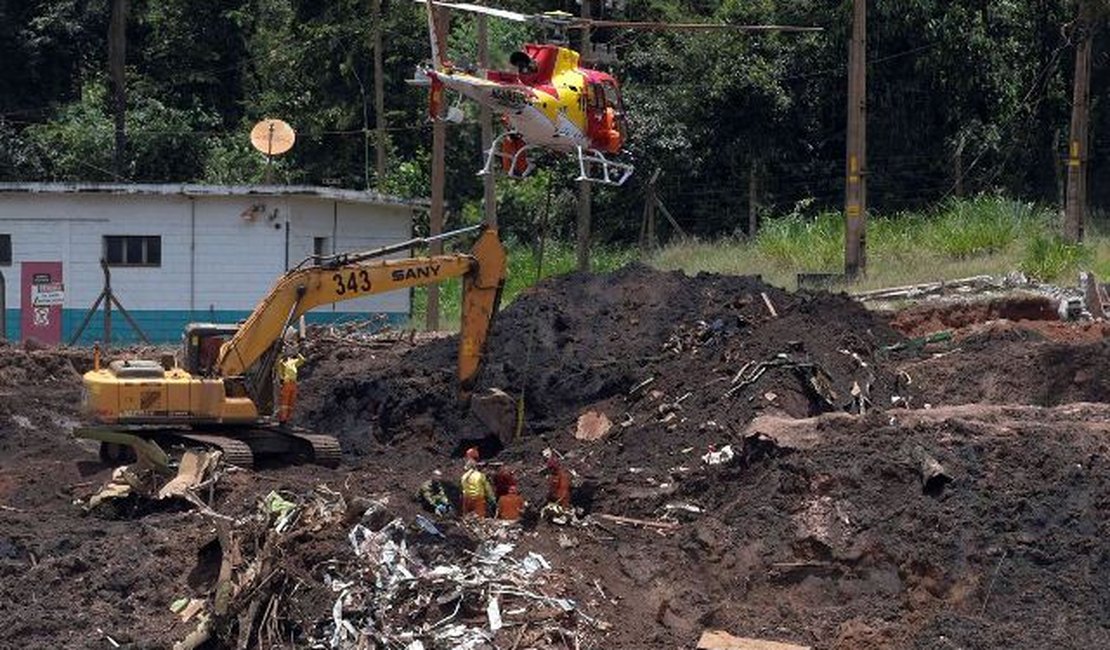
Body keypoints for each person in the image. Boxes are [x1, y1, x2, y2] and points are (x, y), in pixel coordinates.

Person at [460, 447, 495, 518]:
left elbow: (464, 489)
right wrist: (492, 499)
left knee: (467, 518)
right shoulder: (480, 475)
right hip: (478, 499)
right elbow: (488, 488)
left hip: (467, 499)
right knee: (480, 517)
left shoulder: (463, 477)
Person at [277, 353, 306, 424]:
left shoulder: (294, 361)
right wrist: (281, 378)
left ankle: (287, 419)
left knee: (291, 401)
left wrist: (298, 353)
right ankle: (282, 418)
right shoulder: (282, 362)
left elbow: (302, 360)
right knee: (285, 402)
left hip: (294, 382)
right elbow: (279, 369)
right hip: (287, 382)